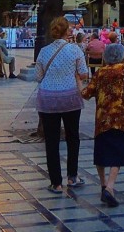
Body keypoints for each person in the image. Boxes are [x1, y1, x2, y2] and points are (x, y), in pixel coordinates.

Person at [36, 17, 88, 195]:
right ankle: (72, 176)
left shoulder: (43, 51)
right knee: (73, 137)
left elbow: (38, 76)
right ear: (67, 31)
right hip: (70, 97)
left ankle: (56, 182)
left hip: (48, 98)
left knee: (52, 140)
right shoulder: (75, 50)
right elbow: (83, 73)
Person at [81, 42, 124, 207]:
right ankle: (110, 187)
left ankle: (103, 184)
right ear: (121, 55)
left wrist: (78, 82)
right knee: (119, 151)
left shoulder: (100, 72)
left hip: (102, 118)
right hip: (121, 117)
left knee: (102, 151)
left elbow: (86, 94)